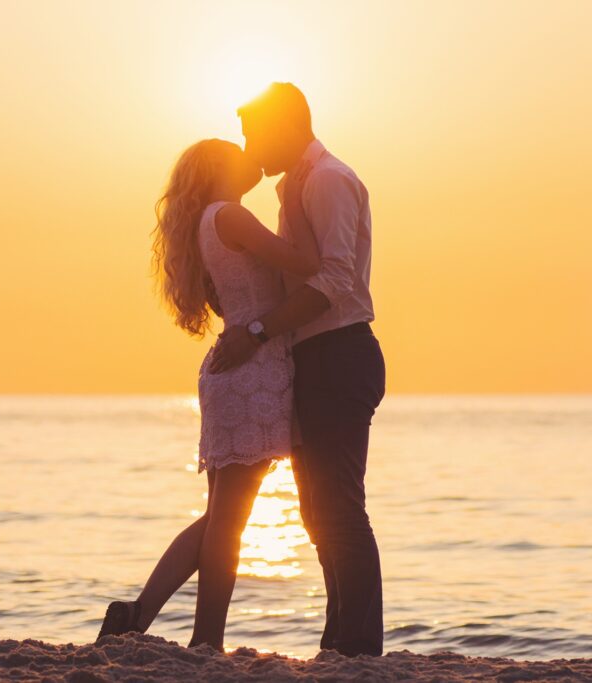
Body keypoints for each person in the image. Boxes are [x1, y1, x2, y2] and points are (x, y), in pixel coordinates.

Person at [95, 136, 320, 652]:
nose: (251, 156)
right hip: (253, 369)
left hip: (233, 367)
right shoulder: (231, 217)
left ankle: (136, 613)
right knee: (230, 517)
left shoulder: (206, 223)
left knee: (220, 513)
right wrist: (296, 201)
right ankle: (205, 639)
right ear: (220, 170)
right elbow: (307, 264)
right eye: (239, 153)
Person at [209, 82, 386, 657]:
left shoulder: (329, 180)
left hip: (340, 351)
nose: (249, 145)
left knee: (338, 502)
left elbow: (332, 282)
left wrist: (258, 331)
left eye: (254, 131)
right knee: (315, 506)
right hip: (314, 356)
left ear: (286, 125)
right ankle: (340, 642)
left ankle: (359, 647)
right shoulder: (294, 187)